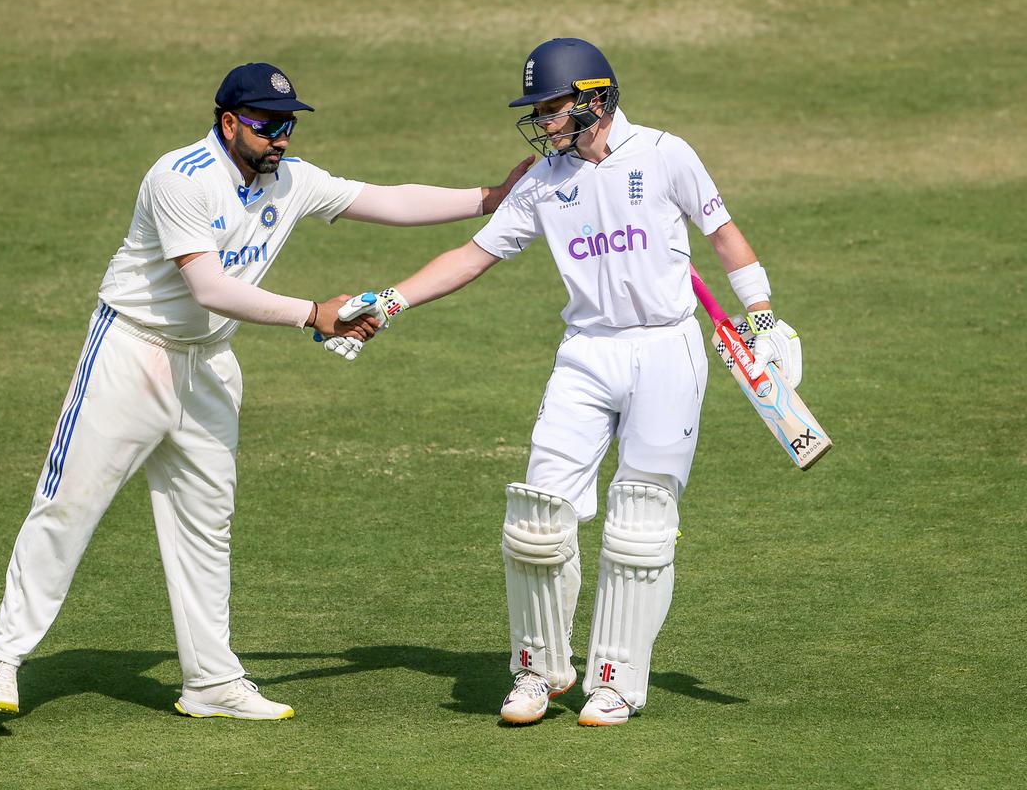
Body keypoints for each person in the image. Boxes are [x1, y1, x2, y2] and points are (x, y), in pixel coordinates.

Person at [0, 62, 532, 721]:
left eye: (288, 124)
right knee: (68, 506)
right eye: (267, 125)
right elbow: (207, 288)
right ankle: (0, 660)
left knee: (207, 522)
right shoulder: (178, 178)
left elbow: (386, 200)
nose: (281, 138)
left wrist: (490, 196)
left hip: (208, 364)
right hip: (132, 353)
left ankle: (210, 682)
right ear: (229, 121)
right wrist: (312, 312)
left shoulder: (290, 179)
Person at [335, 39, 802, 726]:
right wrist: (389, 302)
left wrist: (760, 317)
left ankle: (615, 681)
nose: (543, 121)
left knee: (641, 523)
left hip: (666, 350)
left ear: (597, 98)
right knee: (538, 513)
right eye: (540, 109)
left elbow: (723, 233)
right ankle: (538, 671)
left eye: (552, 108)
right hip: (586, 352)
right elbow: (473, 255)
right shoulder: (542, 183)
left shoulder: (667, 153)